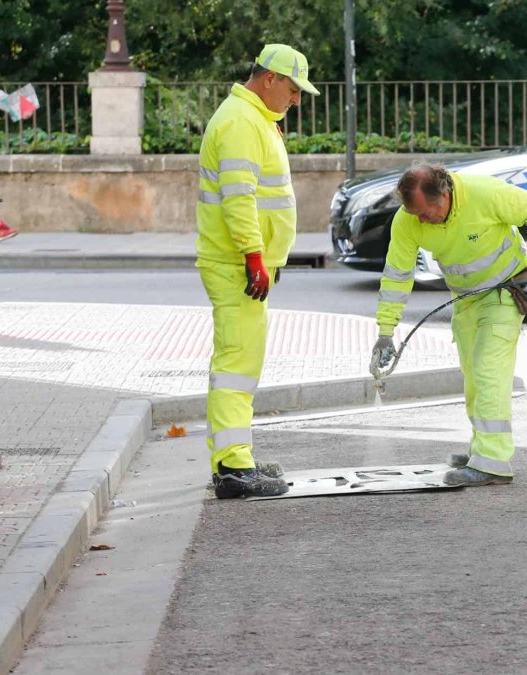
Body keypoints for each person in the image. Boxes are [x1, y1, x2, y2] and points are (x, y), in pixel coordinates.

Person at [370, 165, 527, 486]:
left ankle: (493, 462)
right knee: (473, 377)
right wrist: (385, 333)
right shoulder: (408, 219)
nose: (421, 220)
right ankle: (480, 449)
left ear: (444, 195)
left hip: (504, 291)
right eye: (414, 214)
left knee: (488, 371)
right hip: (465, 299)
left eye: (426, 212)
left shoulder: (485, 193)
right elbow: (397, 275)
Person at [197, 44, 319, 498]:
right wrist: (253, 254)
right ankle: (233, 469)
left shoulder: (252, 119)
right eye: (292, 89)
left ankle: (234, 459)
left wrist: (262, 256)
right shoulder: (241, 122)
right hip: (236, 264)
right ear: (269, 79)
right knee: (236, 366)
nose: (297, 99)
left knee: (240, 364)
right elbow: (239, 196)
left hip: (242, 263)